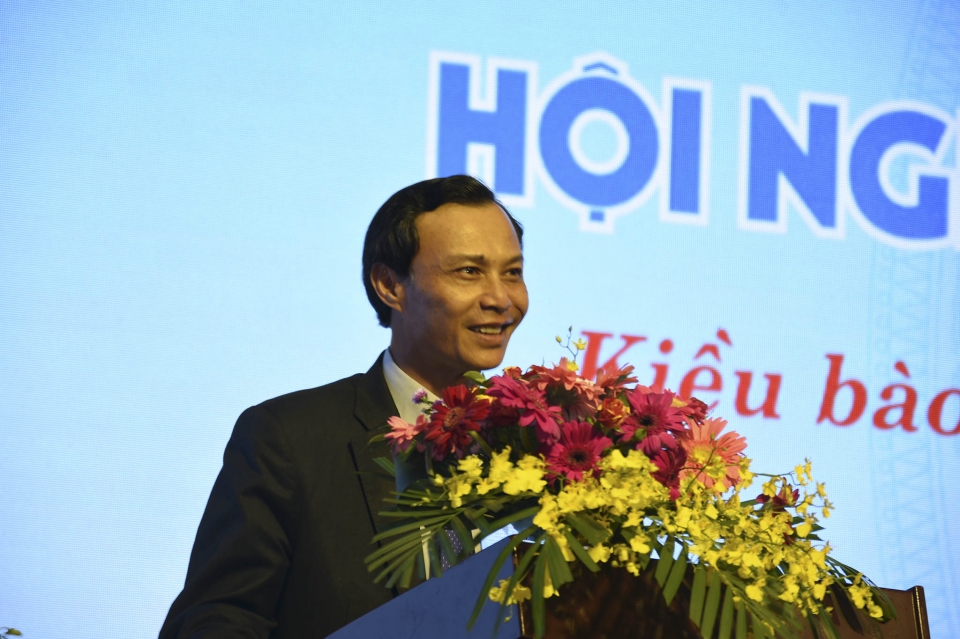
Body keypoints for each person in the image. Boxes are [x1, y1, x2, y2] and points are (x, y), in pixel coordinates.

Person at [159, 175, 529, 638]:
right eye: (469, 272)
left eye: (512, 272)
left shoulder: (541, 443)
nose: (500, 298)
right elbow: (217, 620)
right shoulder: (290, 440)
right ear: (389, 285)